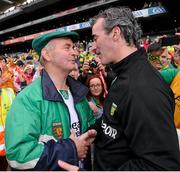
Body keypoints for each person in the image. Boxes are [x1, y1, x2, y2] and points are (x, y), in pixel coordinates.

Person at [60, 7, 180, 170]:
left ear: (116, 33)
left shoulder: (142, 87)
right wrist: (95, 131)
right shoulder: (123, 74)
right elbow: (120, 120)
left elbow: (159, 165)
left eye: (95, 38)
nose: (93, 48)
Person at [5, 30, 96, 170]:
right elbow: (18, 154)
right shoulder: (28, 99)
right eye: (67, 47)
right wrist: (71, 150)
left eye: (74, 47)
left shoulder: (79, 93)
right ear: (47, 54)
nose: (75, 52)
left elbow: (88, 131)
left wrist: (93, 132)